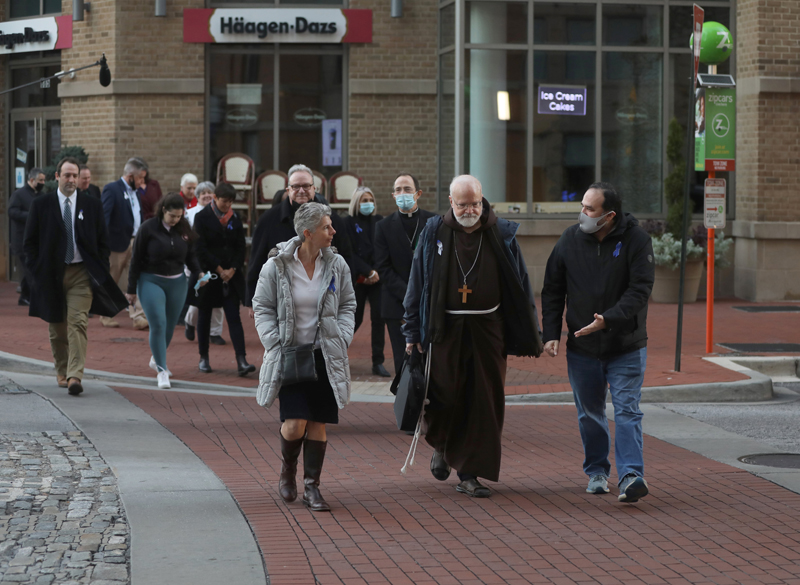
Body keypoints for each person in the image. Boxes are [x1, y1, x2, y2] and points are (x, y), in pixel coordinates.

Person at [403, 175, 542, 498]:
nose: (470, 210)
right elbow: (417, 283)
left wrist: (530, 330)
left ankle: (470, 473)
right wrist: (411, 330)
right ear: (451, 202)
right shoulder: (434, 232)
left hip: (487, 330)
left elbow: (520, 284)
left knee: (483, 401)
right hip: (444, 329)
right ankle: (442, 444)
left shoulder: (501, 233)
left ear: (483, 200)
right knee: (444, 396)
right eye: (463, 204)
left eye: (475, 203)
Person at [541, 182, 654, 503]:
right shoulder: (570, 239)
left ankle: (632, 474)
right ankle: (597, 472)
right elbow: (552, 289)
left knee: (627, 411)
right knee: (589, 413)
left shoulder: (637, 240)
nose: (583, 214)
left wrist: (609, 319)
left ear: (609, 216)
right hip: (582, 348)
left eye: (590, 210)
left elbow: (640, 290)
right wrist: (550, 334)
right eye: (582, 207)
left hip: (626, 345)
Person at [252, 202, 356, 512]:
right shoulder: (277, 266)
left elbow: (348, 305)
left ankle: (313, 487)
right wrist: (274, 342)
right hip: (292, 355)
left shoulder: (336, 265)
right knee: (295, 423)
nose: (333, 232)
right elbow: (262, 306)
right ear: (307, 233)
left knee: (318, 423)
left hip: (325, 355)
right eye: (327, 227)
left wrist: (342, 337)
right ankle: (288, 471)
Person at [23, 157, 126, 396]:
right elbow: (29, 244)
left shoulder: (91, 205)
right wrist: (36, 272)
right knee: (57, 328)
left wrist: (99, 267)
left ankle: (74, 375)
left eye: (74, 175)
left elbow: (103, 241)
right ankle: (61, 369)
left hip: (81, 272)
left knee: (78, 322)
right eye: (67, 175)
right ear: (57, 176)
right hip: (52, 274)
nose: (71, 180)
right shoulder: (41, 205)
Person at [246, 164, 352, 309]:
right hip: (280, 301)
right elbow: (256, 260)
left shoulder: (332, 220)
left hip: (321, 301)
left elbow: (346, 257)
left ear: (314, 189)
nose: (301, 191)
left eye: (306, 186)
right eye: (296, 187)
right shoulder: (268, 220)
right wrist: (251, 300)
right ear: (288, 190)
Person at [126, 193, 204, 389]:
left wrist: (199, 273)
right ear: (163, 211)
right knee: (158, 324)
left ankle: (156, 357)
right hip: (151, 280)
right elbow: (135, 260)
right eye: (172, 217)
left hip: (177, 282)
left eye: (179, 216)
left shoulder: (183, 228)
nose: (176, 220)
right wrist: (130, 289)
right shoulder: (148, 228)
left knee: (169, 327)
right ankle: (162, 370)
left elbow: (191, 255)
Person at [374, 172, 436, 375]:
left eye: (407, 189)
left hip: (428, 302)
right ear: (393, 195)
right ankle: (406, 403)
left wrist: (422, 293)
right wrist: (409, 293)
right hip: (396, 303)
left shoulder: (433, 222)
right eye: (398, 190)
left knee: (428, 358)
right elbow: (383, 267)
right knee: (403, 361)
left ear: (418, 193)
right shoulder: (383, 226)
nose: (403, 193)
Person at [192, 182, 255, 376]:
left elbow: (239, 246)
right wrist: (219, 269)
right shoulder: (201, 218)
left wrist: (233, 268)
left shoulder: (234, 218)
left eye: (230, 202)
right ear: (215, 199)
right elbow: (200, 248)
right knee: (205, 316)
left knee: (234, 317)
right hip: (209, 274)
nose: (227, 206)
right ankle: (204, 357)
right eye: (224, 202)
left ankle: (241, 360)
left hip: (231, 275)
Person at [343, 186, 390, 377]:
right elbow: (349, 252)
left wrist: (376, 272)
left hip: (377, 278)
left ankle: (377, 362)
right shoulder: (347, 223)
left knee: (379, 319)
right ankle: (335, 355)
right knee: (354, 318)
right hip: (358, 277)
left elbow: (384, 249)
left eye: (370, 200)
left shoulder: (379, 221)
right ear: (356, 202)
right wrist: (366, 271)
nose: (368, 204)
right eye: (364, 200)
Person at [100, 157, 148, 330]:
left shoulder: (135, 192)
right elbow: (104, 217)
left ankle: (138, 316)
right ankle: (105, 314)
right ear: (130, 176)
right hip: (116, 243)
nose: (143, 182)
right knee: (112, 279)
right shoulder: (112, 189)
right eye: (140, 178)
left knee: (135, 279)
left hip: (135, 241)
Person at [185, 181, 226, 345]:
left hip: (217, 262)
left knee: (218, 299)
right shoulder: (190, 214)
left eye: (210, 193)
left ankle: (215, 333)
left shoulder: (222, 213)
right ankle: (189, 321)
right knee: (199, 296)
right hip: (199, 262)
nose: (207, 196)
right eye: (203, 193)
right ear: (198, 196)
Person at [9, 167, 45, 306]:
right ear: (31, 180)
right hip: (21, 239)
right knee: (28, 269)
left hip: (37, 239)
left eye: (43, 180)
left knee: (29, 269)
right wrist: (30, 216)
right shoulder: (19, 195)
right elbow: (12, 211)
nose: (43, 183)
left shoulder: (41, 195)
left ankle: (25, 296)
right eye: (40, 180)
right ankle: (31, 296)